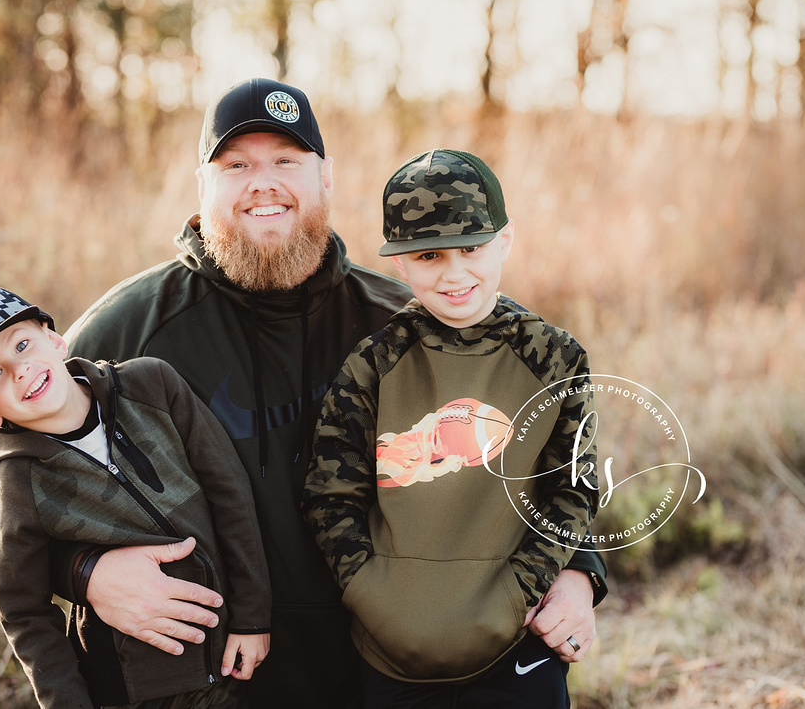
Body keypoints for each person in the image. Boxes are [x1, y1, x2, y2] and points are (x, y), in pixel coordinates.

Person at [51, 78, 608, 709]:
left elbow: (537, 447)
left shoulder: (408, 319)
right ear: (202, 185)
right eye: (237, 165)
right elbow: (20, 491)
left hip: (376, 671)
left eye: (286, 161)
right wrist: (86, 573)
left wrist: (578, 574)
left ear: (326, 178)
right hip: (206, 676)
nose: (264, 182)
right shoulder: (124, 334)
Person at [303, 148, 600, 708]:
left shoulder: (553, 359)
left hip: (515, 649)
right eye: (429, 255)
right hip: (390, 656)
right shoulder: (373, 366)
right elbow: (329, 496)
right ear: (399, 264)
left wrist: (522, 591)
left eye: (472, 248)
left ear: (506, 241)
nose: (455, 272)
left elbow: (574, 488)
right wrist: (372, 595)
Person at [0, 286, 272, 708]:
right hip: (135, 691)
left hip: (234, 656)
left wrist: (253, 618)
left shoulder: (151, 385)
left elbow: (230, 491)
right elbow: (24, 612)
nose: (19, 369)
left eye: (22, 344)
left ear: (54, 339)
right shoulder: (16, 487)